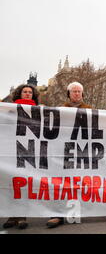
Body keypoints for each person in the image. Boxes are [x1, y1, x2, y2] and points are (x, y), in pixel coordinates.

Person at [46, 82, 93, 228]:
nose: (77, 94)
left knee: (78, 183)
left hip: (81, 152)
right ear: (69, 94)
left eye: (79, 91)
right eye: (74, 91)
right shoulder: (60, 109)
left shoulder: (90, 110)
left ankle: (75, 212)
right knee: (60, 184)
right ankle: (57, 215)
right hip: (63, 152)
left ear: (82, 94)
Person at [2, 84, 40, 230]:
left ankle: (22, 216)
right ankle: (12, 216)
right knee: (11, 183)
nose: (27, 94)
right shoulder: (9, 109)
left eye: (30, 92)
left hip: (30, 150)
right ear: (19, 93)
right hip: (12, 149)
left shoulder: (40, 109)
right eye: (25, 92)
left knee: (24, 183)